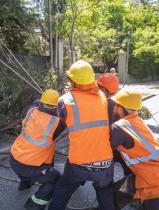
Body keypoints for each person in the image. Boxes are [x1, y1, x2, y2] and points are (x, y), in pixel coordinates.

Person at [48, 60, 115, 210]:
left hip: (78, 165)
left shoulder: (64, 101)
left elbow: (56, 126)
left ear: (72, 81)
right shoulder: (105, 99)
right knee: (105, 194)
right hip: (104, 165)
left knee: (62, 190)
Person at [110, 89, 159, 210]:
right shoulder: (137, 121)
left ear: (121, 108)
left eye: (115, 106)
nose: (113, 109)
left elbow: (104, 150)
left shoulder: (119, 127)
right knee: (113, 195)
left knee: (111, 197)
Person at [10, 89, 65, 210]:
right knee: (56, 177)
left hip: (14, 159)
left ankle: (25, 184)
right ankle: (35, 204)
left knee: (40, 159)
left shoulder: (32, 110)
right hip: (28, 167)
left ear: (41, 102)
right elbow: (64, 117)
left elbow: (36, 101)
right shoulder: (57, 124)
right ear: (55, 107)